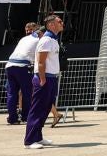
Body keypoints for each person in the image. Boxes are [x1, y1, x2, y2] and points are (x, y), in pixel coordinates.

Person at [25, 13, 63, 149]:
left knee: (45, 108)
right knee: (37, 109)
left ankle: (38, 137)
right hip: (44, 78)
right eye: (59, 21)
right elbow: (41, 62)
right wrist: (42, 79)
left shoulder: (53, 39)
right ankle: (29, 141)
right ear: (51, 24)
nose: (62, 23)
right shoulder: (46, 39)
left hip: (51, 78)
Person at [5, 22, 40, 125]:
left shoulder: (23, 39)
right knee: (27, 93)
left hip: (10, 65)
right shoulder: (38, 40)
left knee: (12, 93)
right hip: (22, 66)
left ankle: (12, 118)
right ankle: (26, 116)